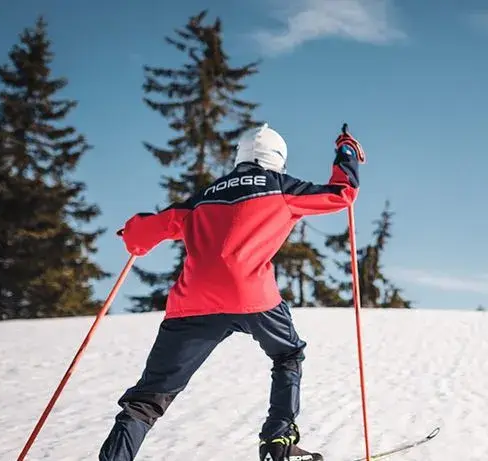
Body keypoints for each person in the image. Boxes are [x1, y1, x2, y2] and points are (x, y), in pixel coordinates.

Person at [98, 123, 364, 461]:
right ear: (278, 159)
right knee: (287, 355)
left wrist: (133, 235)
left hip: (192, 302)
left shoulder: (204, 196)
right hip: (253, 296)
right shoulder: (281, 187)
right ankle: (277, 441)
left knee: (149, 397)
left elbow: (146, 230)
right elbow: (342, 194)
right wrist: (347, 153)